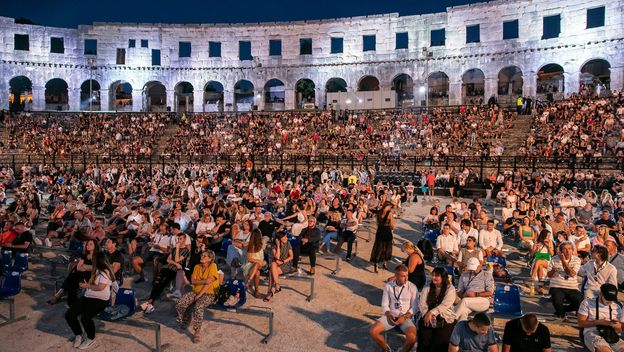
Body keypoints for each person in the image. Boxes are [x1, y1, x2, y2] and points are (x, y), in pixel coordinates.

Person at [64, 252, 115, 349]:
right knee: (69, 315)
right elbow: (79, 268)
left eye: (93, 259)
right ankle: (79, 334)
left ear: (98, 261)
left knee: (85, 318)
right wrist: (81, 258)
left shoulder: (105, 271)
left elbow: (100, 287)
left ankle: (90, 337)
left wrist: (87, 286)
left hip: (101, 299)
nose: (91, 261)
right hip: (88, 296)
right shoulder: (95, 268)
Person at [369, 264, 418, 352]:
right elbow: (384, 304)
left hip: (405, 317)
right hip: (391, 316)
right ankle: (386, 350)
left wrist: (404, 317)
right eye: (403, 276)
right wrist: (389, 315)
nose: (406, 279)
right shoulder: (388, 286)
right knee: (373, 331)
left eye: (407, 275)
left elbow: (414, 307)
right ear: (396, 276)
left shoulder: (412, 287)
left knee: (412, 338)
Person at [176, 250, 220, 344]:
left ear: (210, 258)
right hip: (196, 291)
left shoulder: (213, 266)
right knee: (180, 303)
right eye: (202, 255)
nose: (202, 257)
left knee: (198, 307)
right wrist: (204, 281)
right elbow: (193, 281)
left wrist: (199, 294)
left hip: (209, 293)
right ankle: (186, 320)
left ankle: (197, 332)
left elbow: (209, 283)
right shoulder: (197, 266)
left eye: (205, 256)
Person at [140, 231, 190, 314]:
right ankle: (150, 303)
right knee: (156, 283)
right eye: (178, 238)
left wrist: (177, 250)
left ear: (184, 239)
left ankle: (149, 303)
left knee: (162, 284)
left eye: (180, 239)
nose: (178, 240)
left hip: (174, 271)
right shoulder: (174, 248)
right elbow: (168, 260)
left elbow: (177, 259)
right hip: (166, 267)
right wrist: (175, 263)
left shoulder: (186, 250)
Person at [47, 239, 99, 306]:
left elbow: (95, 268)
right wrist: (87, 267)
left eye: (90, 244)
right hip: (80, 274)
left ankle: (58, 296)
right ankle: (70, 303)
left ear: (95, 246)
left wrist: (84, 266)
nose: (88, 246)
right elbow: (78, 268)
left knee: (72, 277)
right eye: (87, 244)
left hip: (90, 277)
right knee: (73, 277)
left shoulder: (98, 256)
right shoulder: (85, 255)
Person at [417, 267, 457, 352]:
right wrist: (426, 313)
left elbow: (445, 304)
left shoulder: (450, 288)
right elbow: (422, 303)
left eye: (437, 275)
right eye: (433, 275)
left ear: (443, 277)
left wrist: (432, 312)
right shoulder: (427, 286)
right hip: (427, 314)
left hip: (445, 317)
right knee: (425, 338)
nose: (434, 277)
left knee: (441, 341)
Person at [578, 283, 624, 352]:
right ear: (601, 294)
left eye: (612, 299)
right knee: (605, 350)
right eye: (607, 298)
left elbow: (620, 329)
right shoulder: (587, 303)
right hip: (592, 333)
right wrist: (599, 322)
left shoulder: (617, 307)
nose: (610, 301)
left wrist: (617, 325)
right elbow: (581, 323)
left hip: (611, 335)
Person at [547, 241, 582, 320]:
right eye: (565, 249)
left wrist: (563, 261)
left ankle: (561, 311)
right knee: (557, 300)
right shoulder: (554, 259)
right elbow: (548, 275)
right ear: (561, 251)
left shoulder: (576, 260)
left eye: (569, 249)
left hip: (572, 287)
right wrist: (553, 271)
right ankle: (561, 313)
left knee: (580, 302)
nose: (567, 251)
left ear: (572, 250)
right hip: (557, 285)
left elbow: (572, 274)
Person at [264, 231, 293, 302]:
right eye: (284, 237)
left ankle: (270, 292)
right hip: (276, 264)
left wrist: (283, 261)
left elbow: (291, 256)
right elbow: (277, 257)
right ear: (279, 239)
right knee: (273, 265)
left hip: (286, 265)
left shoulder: (288, 243)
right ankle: (277, 286)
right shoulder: (274, 246)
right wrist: (278, 246)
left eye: (286, 237)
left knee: (271, 271)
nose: (286, 238)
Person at [370, 202, 395, 273]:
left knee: (378, 247)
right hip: (387, 231)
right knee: (387, 247)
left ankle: (376, 264)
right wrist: (393, 227)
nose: (390, 208)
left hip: (380, 231)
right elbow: (392, 224)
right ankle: (385, 264)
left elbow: (377, 223)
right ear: (387, 206)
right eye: (389, 207)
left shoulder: (379, 212)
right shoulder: (389, 213)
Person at [243, 229, 264, 298]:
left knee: (257, 266)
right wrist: (258, 261)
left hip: (259, 265)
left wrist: (260, 262)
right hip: (249, 266)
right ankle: (256, 290)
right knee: (257, 272)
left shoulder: (261, 245)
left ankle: (249, 282)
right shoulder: (251, 246)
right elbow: (249, 259)